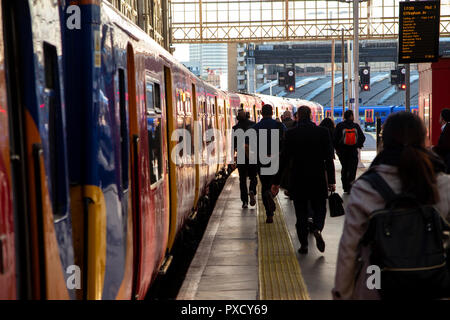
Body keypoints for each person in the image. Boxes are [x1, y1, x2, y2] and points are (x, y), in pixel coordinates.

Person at [333, 112, 450, 299]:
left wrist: (342, 294)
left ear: (383, 141)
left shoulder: (366, 188)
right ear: (424, 140)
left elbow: (349, 249)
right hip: (431, 286)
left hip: (377, 285)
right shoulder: (444, 184)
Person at [271, 106, 336, 254]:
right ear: (311, 116)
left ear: (297, 117)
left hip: (298, 179)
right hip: (318, 178)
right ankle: (317, 227)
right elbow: (329, 158)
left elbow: (284, 159)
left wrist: (276, 182)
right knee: (320, 207)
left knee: (301, 213)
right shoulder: (322, 132)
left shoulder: (292, 134)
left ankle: (304, 245)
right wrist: (331, 181)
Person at [252, 104, 287, 223]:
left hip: (261, 160)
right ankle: (271, 195)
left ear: (261, 113)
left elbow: (247, 146)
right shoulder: (279, 125)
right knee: (275, 184)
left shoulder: (255, 127)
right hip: (276, 159)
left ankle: (269, 214)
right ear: (272, 113)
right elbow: (287, 141)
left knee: (265, 185)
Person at [333, 110, 365, 193]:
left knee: (345, 168)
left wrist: (337, 149)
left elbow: (335, 138)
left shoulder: (340, 125)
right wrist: (358, 145)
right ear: (351, 116)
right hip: (353, 151)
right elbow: (362, 137)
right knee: (352, 169)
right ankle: (351, 187)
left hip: (342, 151)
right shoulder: (355, 126)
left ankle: (345, 187)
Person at [233, 110, 257, 208]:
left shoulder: (235, 128)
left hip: (241, 156)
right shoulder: (253, 126)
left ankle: (244, 202)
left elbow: (233, 146)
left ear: (237, 118)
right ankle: (252, 190)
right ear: (248, 116)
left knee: (242, 180)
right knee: (253, 177)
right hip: (252, 155)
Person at [432, 108, 450, 173]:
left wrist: (433, 149)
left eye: (440, 116)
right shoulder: (447, 127)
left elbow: (444, 146)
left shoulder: (447, 129)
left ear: (442, 118)